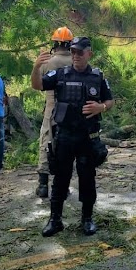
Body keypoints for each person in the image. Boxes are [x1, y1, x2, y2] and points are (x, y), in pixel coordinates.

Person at [31, 36, 114, 237]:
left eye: (80, 52)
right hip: (65, 136)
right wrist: (35, 68)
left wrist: (100, 107)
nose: (76, 55)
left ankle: (87, 219)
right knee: (60, 179)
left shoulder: (97, 76)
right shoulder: (60, 74)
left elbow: (110, 100)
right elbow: (37, 85)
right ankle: (55, 220)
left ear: (89, 54)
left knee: (87, 179)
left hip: (87, 136)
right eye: (73, 51)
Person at [35, 26, 75, 198]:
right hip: (72, 110)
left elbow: (39, 85)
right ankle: (63, 185)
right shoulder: (76, 61)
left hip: (52, 109)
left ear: (55, 43)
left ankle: (43, 185)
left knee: (46, 142)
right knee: (67, 147)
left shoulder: (48, 62)